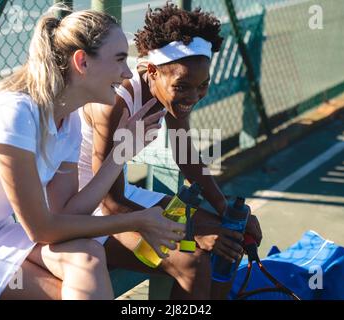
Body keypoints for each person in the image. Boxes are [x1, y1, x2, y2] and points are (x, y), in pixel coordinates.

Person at [0, 5, 182, 300]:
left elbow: (68, 213)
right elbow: (42, 230)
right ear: (82, 61)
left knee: (89, 255)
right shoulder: (15, 113)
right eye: (120, 59)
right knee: (68, 291)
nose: (127, 72)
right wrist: (139, 220)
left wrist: (120, 154)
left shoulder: (68, 122)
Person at [79, 3, 263, 299]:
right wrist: (192, 233)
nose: (194, 96)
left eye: (203, 85)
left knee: (230, 240)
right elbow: (110, 204)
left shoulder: (172, 94)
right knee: (192, 262)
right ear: (152, 70)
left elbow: (186, 156)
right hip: (87, 212)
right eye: (184, 86)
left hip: (124, 196)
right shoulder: (115, 103)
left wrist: (225, 210)